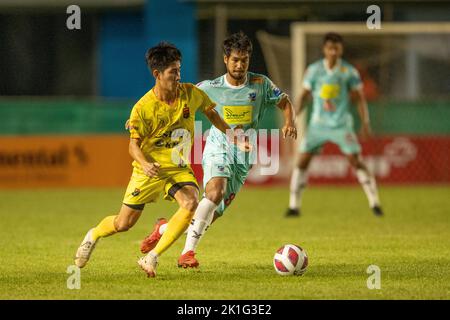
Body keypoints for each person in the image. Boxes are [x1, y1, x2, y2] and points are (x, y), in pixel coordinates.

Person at [74, 42, 246, 278]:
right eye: (173, 72)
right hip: (149, 170)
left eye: (179, 69)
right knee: (123, 224)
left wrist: (233, 137)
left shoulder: (190, 94)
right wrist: (145, 164)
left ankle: (151, 257)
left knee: (191, 203)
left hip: (176, 167)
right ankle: (92, 236)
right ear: (157, 74)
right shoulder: (143, 108)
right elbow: (133, 145)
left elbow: (212, 114)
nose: (178, 76)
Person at [140, 31, 297, 268]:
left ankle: (163, 228)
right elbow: (176, 96)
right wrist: (138, 119)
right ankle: (187, 253)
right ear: (226, 60)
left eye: (244, 59)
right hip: (218, 145)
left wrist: (289, 122)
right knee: (214, 193)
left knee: (211, 214)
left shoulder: (260, 84)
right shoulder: (209, 87)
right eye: (235, 59)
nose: (240, 64)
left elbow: (285, 102)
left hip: (244, 154)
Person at [285, 32, 383, 218]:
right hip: (317, 125)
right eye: (330, 48)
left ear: (341, 50)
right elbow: (304, 95)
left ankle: (374, 202)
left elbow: (360, 99)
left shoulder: (349, 72)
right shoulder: (314, 70)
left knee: (355, 160)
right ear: (324, 49)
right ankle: (293, 206)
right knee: (303, 160)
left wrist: (365, 122)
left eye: (336, 48)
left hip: (341, 124)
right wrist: (293, 118)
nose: (333, 52)